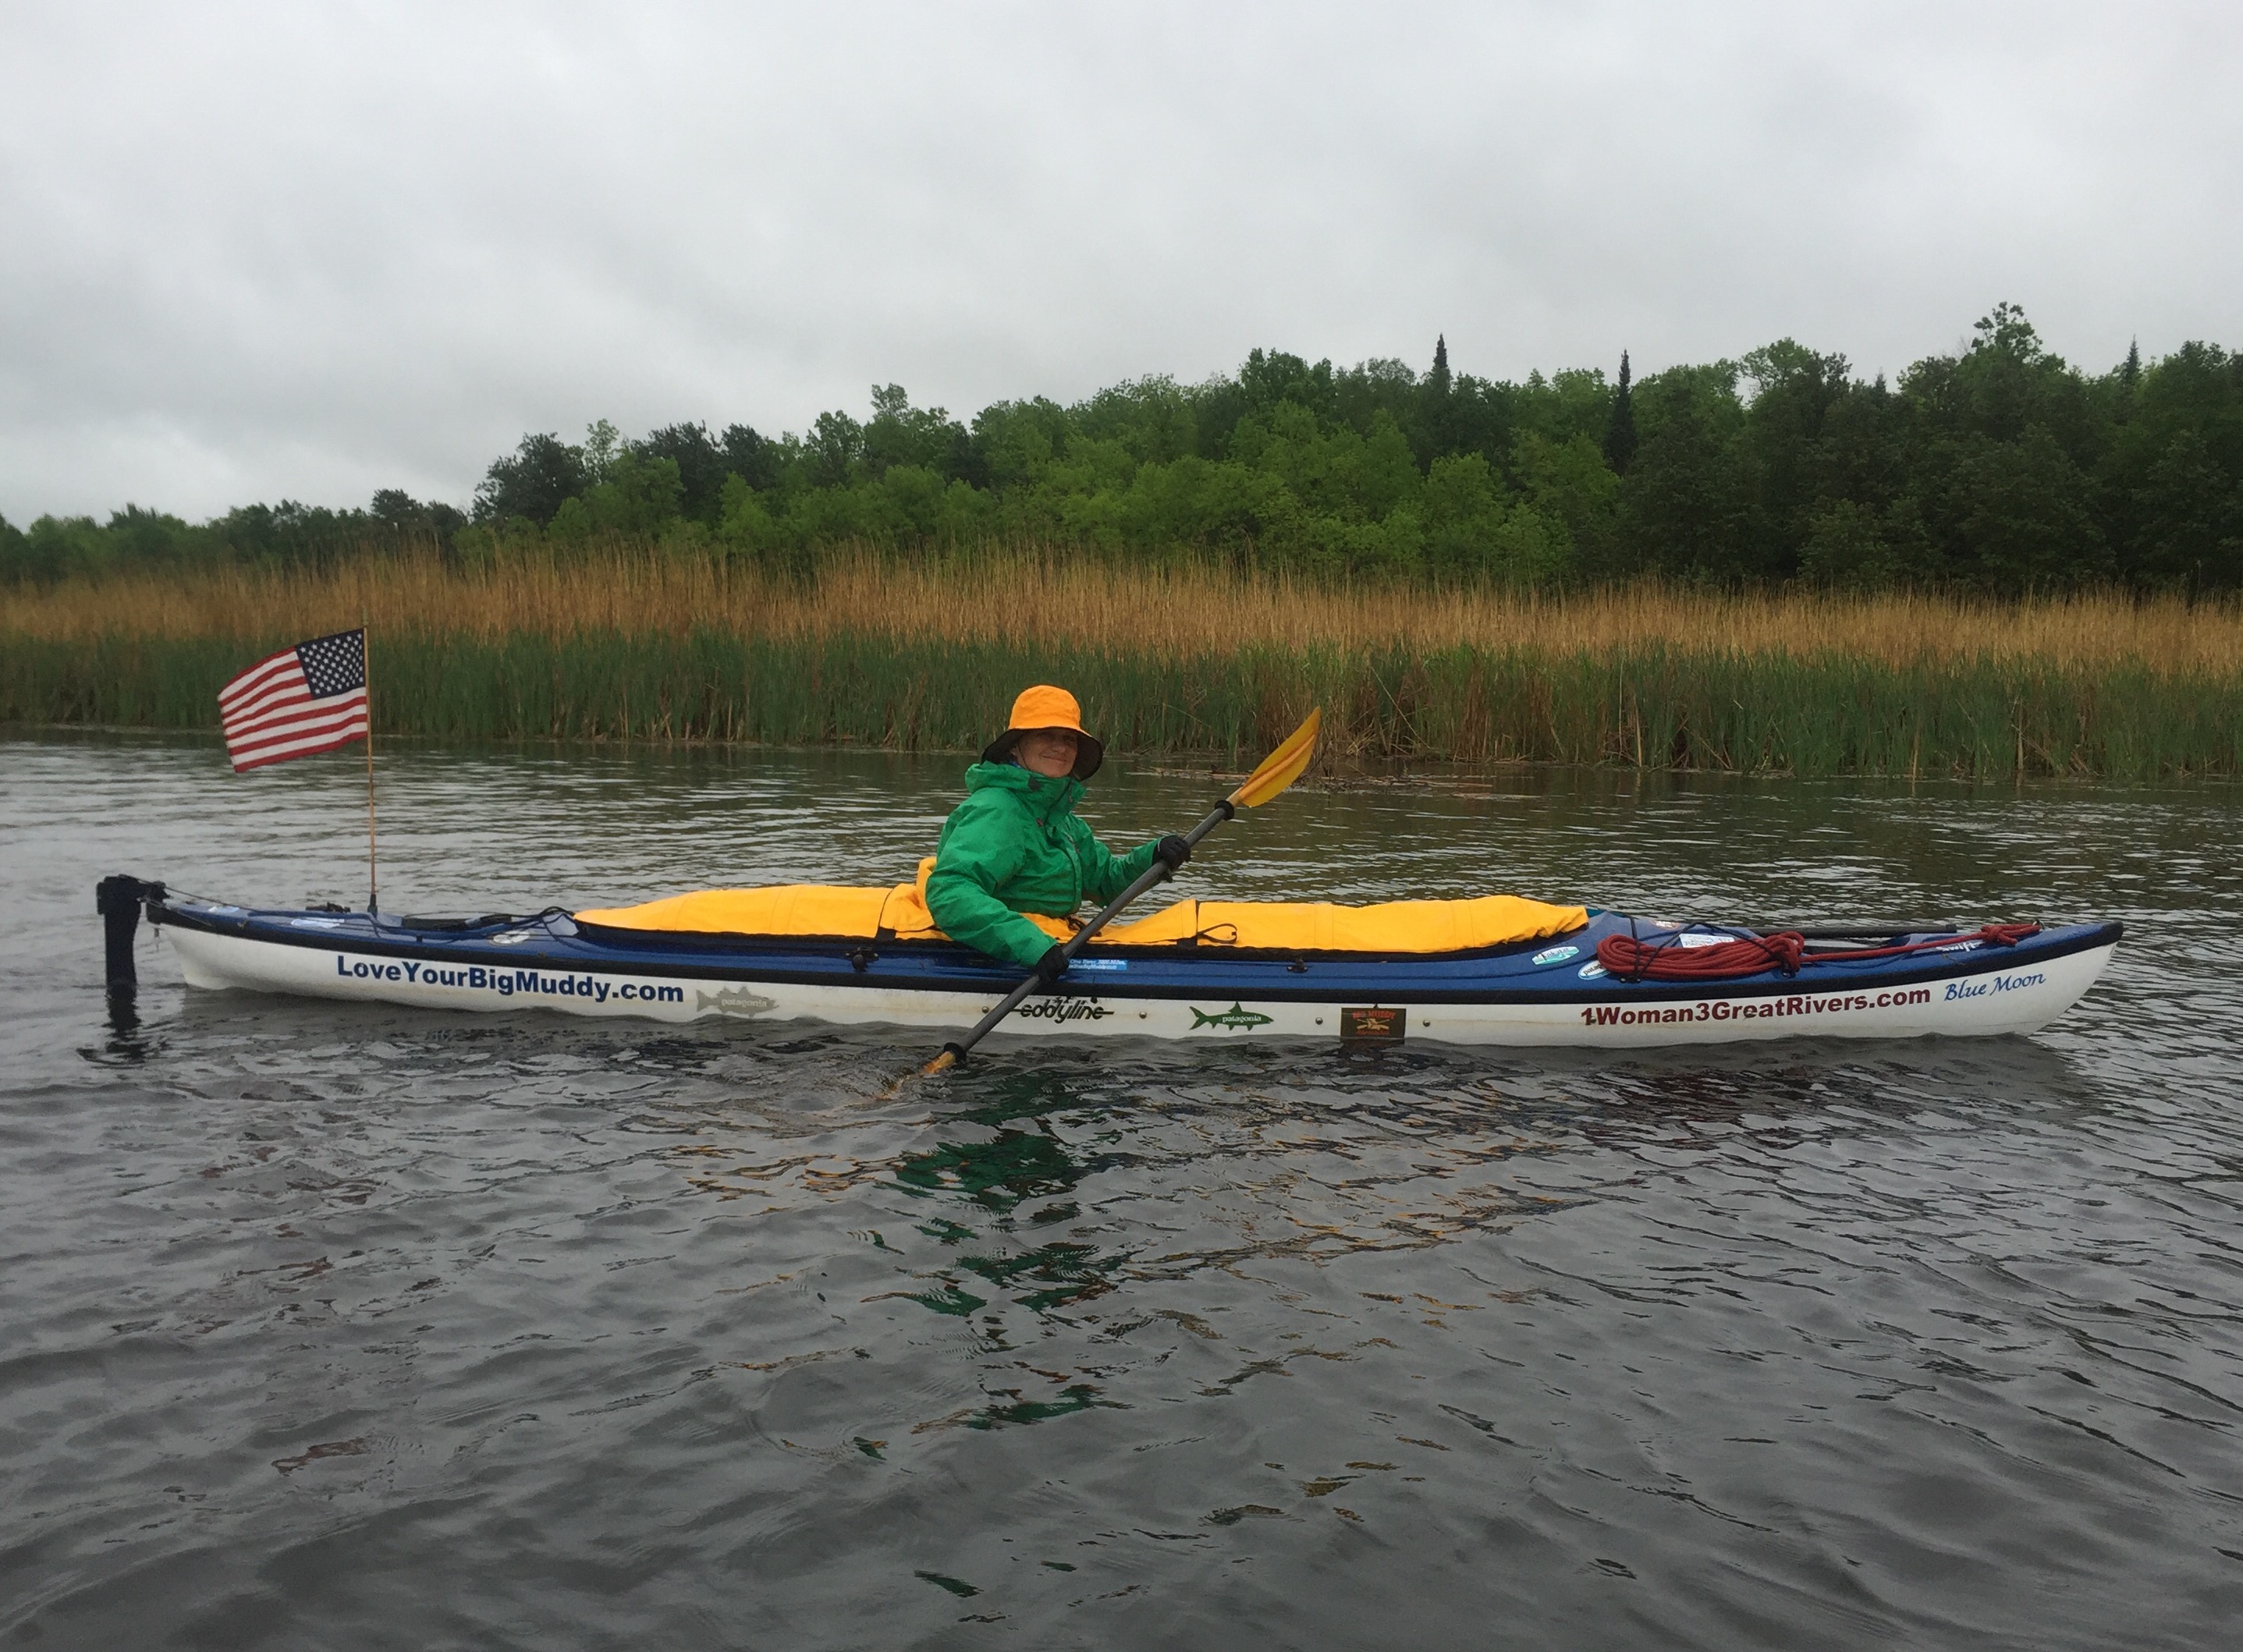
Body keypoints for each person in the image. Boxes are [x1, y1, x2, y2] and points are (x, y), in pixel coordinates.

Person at [926, 685, 1190, 980]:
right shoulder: (998, 811)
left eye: (1069, 739)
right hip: (1012, 957)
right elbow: (951, 892)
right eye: (1046, 735)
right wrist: (1032, 946)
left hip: (1049, 945)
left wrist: (1154, 856)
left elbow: (1106, 883)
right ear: (1015, 746)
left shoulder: (1062, 821)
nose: (1060, 747)